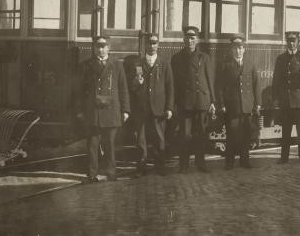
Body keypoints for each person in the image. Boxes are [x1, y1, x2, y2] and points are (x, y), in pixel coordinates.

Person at [76, 35, 130, 184]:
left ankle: (110, 172)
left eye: (103, 46)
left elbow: (123, 88)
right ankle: (91, 174)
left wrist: (125, 110)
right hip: (93, 111)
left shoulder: (117, 64)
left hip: (111, 110)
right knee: (92, 145)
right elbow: (80, 90)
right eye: (98, 47)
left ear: (108, 47)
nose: (100, 49)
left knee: (110, 144)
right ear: (95, 48)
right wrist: (80, 110)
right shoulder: (86, 65)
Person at [126, 33, 174, 178]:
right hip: (141, 110)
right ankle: (141, 169)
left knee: (159, 140)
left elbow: (170, 87)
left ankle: (160, 168)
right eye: (149, 43)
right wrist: (135, 83)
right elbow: (129, 87)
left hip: (158, 109)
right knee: (141, 141)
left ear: (158, 45)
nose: (151, 46)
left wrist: (169, 108)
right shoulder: (137, 64)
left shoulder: (164, 64)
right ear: (145, 45)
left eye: (154, 43)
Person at [171, 26, 216, 174]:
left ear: (196, 40)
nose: (189, 41)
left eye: (192, 38)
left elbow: (210, 80)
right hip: (185, 103)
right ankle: (183, 165)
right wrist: (174, 104)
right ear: (183, 40)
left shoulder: (204, 57)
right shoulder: (176, 58)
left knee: (201, 135)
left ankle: (200, 164)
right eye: (187, 38)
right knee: (184, 135)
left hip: (201, 102)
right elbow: (174, 84)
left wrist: (212, 101)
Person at [271, 31, 300, 165]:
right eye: (289, 41)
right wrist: (275, 97)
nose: (291, 43)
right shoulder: (280, 58)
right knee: (285, 130)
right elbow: (276, 80)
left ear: (298, 42)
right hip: (285, 99)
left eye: (294, 41)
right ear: (286, 42)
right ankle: (284, 157)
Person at [216, 36, 261, 170]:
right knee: (232, 135)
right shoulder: (224, 65)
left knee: (245, 136)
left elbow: (256, 85)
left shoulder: (250, 64)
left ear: (244, 49)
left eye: (240, 48)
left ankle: (244, 161)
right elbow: (218, 87)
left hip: (247, 107)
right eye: (235, 48)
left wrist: (258, 103)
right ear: (231, 50)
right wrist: (221, 105)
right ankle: (229, 162)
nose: (238, 51)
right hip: (232, 107)